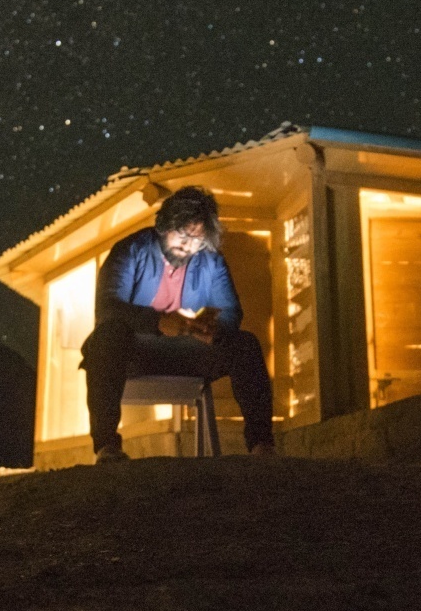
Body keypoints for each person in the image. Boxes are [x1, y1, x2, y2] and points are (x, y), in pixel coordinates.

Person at [81, 186, 276, 463]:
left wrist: (214, 328)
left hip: (189, 351)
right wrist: (158, 322)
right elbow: (109, 308)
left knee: (244, 343)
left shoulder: (210, 262)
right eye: (183, 234)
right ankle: (107, 448)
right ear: (164, 225)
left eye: (198, 240)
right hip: (137, 351)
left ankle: (262, 445)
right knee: (106, 337)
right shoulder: (131, 250)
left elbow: (231, 311)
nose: (188, 245)